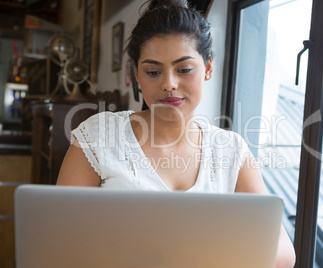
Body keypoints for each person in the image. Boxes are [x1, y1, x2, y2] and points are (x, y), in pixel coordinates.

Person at [57, 0, 296, 266]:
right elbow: (58, 241)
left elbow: (283, 252)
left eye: (184, 69)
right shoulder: (97, 136)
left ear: (207, 68)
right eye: (153, 71)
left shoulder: (231, 149)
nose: (169, 83)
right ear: (137, 74)